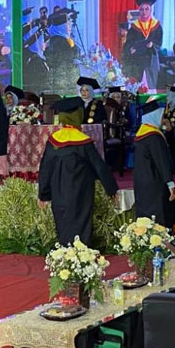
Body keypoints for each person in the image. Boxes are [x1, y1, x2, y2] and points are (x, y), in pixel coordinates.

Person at [37, 97, 119, 246]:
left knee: (62, 222)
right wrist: (111, 189)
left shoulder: (54, 140)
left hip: (59, 191)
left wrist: (43, 194)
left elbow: (45, 169)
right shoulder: (83, 141)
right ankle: (81, 256)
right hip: (81, 192)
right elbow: (99, 166)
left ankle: (65, 254)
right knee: (81, 223)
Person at [133, 100, 175, 228]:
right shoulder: (154, 137)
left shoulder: (142, 133)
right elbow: (161, 161)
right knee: (159, 216)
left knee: (146, 216)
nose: (163, 120)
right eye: (162, 116)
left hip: (142, 181)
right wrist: (170, 183)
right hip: (155, 181)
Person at [124, 0, 162, 88]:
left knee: (150, 86)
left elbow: (159, 42)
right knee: (138, 86)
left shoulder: (157, 26)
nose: (144, 12)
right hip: (138, 61)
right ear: (139, 11)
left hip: (151, 61)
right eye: (141, 9)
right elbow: (128, 43)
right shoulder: (134, 27)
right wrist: (130, 49)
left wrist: (152, 45)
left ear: (150, 11)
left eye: (146, 9)